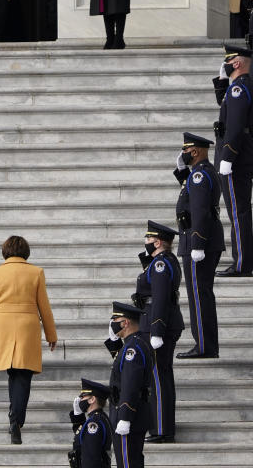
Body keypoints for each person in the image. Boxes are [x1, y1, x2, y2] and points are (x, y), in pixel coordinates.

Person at [0, 235, 57, 445]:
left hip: (3, 324)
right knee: (23, 373)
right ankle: (16, 420)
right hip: (27, 324)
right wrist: (51, 334)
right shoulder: (36, 272)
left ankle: (14, 416)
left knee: (13, 371)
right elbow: (44, 307)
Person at [130, 221, 182, 443]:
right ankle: (163, 426)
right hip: (157, 322)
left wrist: (156, 329)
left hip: (158, 324)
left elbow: (160, 298)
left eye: (148, 241)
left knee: (158, 379)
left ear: (158, 242)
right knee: (161, 377)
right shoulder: (160, 261)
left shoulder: (161, 264)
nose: (146, 244)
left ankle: (161, 429)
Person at [174, 132, 224, 359]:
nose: (183, 154)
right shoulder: (199, 173)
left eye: (185, 151)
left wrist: (197, 243)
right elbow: (191, 197)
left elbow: (201, 211)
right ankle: (206, 344)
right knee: (201, 294)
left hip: (199, 241)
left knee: (199, 295)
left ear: (194, 151)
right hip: (201, 239)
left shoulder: (199, 176)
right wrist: (181, 170)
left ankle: (204, 346)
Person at [215, 44, 253, 277]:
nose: (226, 66)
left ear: (236, 63)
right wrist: (221, 81)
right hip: (241, 155)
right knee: (239, 211)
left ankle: (242, 263)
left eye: (228, 62)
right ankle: (245, 260)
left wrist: (227, 156)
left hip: (236, 158)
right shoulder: (239, 87)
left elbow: (236, 126)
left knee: (238, 213)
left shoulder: (239, 89)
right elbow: (225, 107)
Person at [106, 302, 153, 468]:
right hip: (134, 412)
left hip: (129, 413)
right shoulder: (134, 343)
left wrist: (125, 416)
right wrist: (112, 341)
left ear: (125, 323)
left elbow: (130, 383)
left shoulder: (133, 348)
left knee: (127, 463)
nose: (112, 323)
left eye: (115, 320)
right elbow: (120, 362)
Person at [68, 378, 113, 468]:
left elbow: (91, 458)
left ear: (92, 399)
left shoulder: (94, 422)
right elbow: (82, 438)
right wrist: (78, 416)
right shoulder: (98, 418)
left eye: (83, 396)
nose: (80, 400)